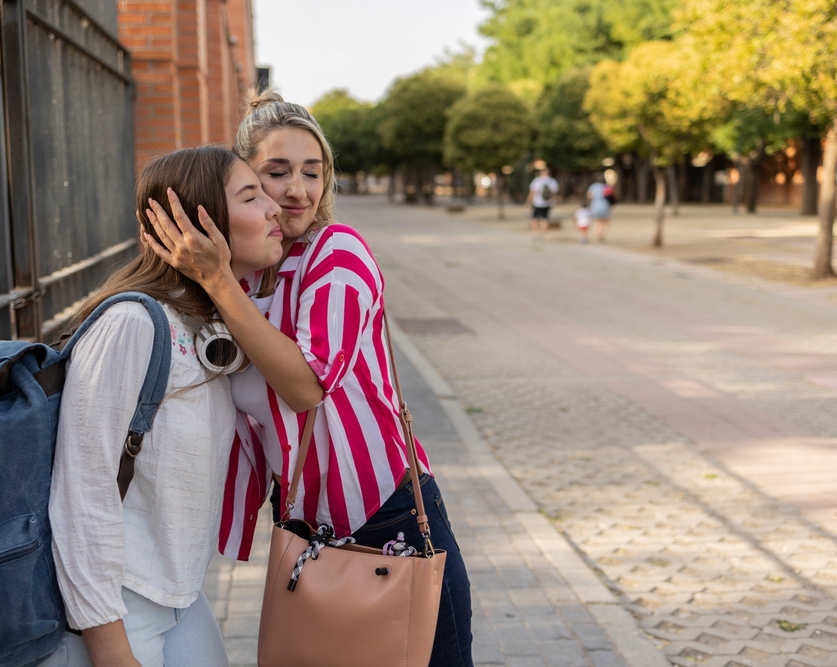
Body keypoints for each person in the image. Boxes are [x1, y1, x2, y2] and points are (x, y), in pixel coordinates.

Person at [143, 90, 475, 667]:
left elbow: (305, 388)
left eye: (311, 171)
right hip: (304, 526)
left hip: (386, 515)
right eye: (276, 172)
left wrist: (217, 281)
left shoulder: (336, 253)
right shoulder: (248, 275)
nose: (297, 190)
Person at [42, 146, 284, 667]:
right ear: (199, 222)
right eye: (251, 196)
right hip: (116, 607)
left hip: (179, 593)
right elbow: (80, 492)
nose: (274, 208)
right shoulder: (131, 324)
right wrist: (111, 652)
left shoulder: (212, 322)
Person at [526, 166, 559, 242]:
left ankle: (535, 233)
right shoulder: (552, 181)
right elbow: (555, 193)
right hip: (548, 203)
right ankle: (543, 234)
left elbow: (532, 192)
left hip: (537, 202)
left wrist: (529, 201)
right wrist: (554, 201)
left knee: (534, 218)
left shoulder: (537, 181)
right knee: (545, 219)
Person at [587, 174, 612, 242]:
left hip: (595, 205)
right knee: (605, 221)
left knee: (597, 221)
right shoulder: (606, 187)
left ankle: (597, 235)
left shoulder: (593, 187)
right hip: (604, 205)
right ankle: (601, 234)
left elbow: (589, 196)